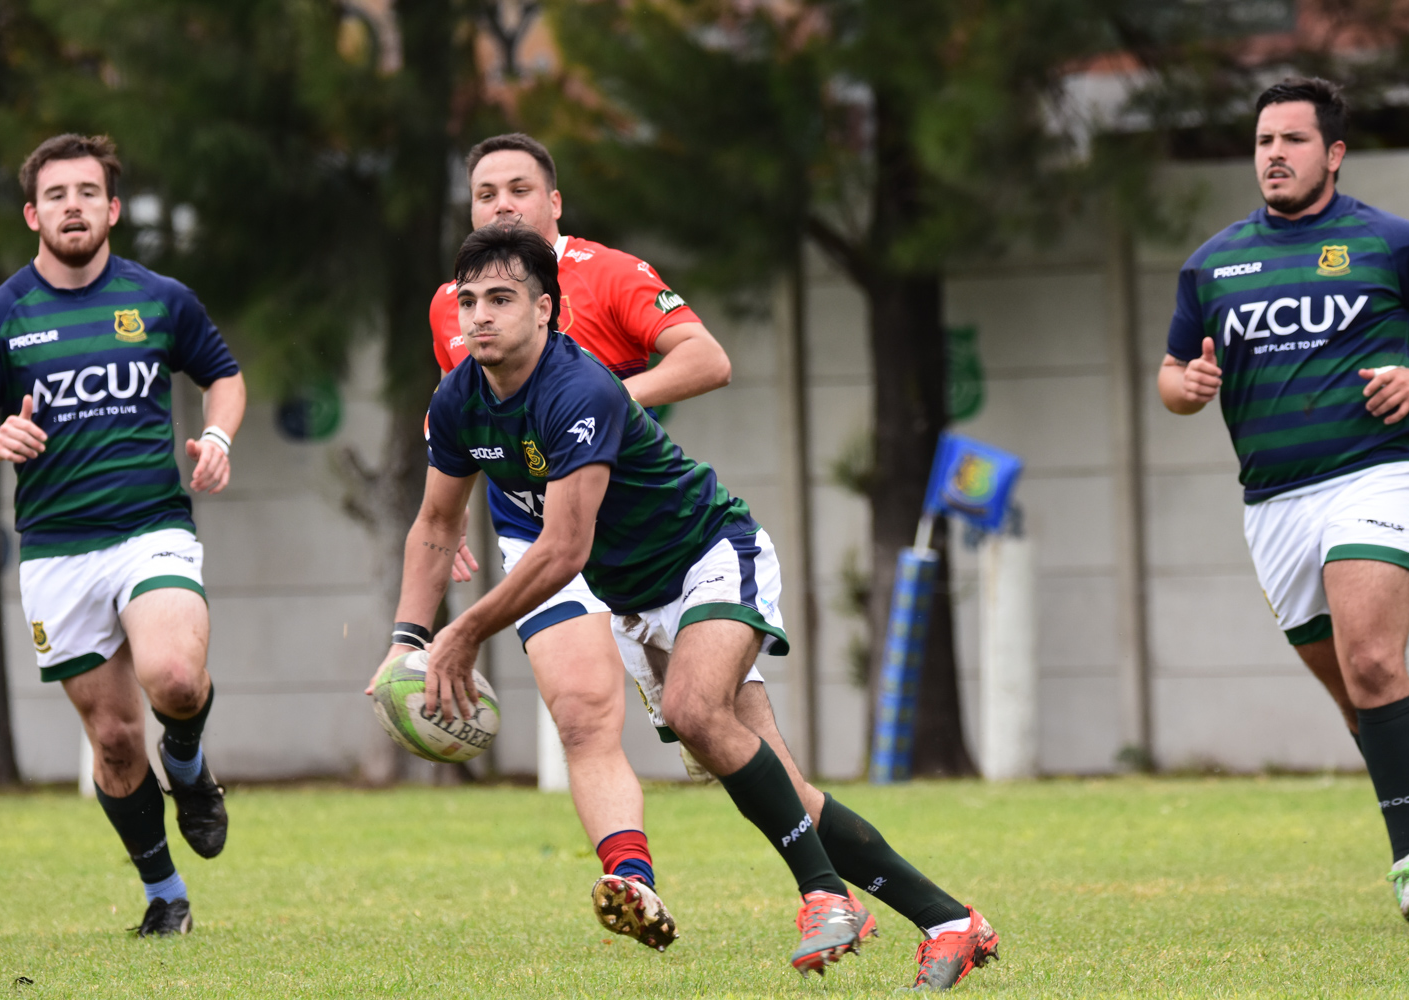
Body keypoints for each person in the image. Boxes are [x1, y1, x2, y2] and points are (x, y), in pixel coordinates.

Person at [375, 221, 998, 988]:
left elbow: (564, 550)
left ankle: (824, 896)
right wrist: (408, 639)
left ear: (545, 308)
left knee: (697, 710)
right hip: (638, 605)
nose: (479, 315)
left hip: (711, 555)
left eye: (501, 298)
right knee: (779, 785)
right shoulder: (457, 400)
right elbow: (436, 524)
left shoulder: (579, 390)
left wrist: (465, 631)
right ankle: (949, 921)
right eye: (469, 300)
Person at [0, 134, 244, 937]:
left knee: (174, 678)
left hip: (151, 529)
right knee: (112, 740)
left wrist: (217, 436)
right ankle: (165, 894)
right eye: (56, 195)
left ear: (112, 209)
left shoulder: (160, 299)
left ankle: (187, 762)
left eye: (86, 193)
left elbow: (223, 375)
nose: (72, 207)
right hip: (55, 551)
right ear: (32, 214)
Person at [1158, 77, 1409, 931]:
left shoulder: (1393, 243)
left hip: (1374, 475)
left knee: (1374, 661)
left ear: (1334, 153)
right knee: (1355, 694)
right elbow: (1171, 373)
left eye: (1293, 140)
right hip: (1273, 504)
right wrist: (1185, 387)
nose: (1274, 154)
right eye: (1264, 141)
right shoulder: (1213, 263)